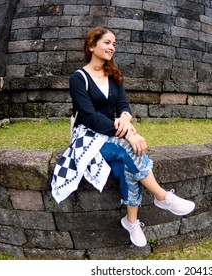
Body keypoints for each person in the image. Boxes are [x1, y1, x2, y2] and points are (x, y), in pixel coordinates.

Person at [51, 27, 195, 247]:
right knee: (128, 147)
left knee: (129, 168)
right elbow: (89, 116)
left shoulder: (113, 74)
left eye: (114, 44)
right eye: (107, 42)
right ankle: (162, 197)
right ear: (92, 46)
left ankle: (131, 222)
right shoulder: (78, 78)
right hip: (88, 138)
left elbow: (123, 106)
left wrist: (126, 119)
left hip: (111, 134)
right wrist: (127, 133)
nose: (112, 47)